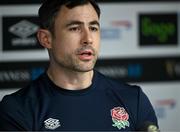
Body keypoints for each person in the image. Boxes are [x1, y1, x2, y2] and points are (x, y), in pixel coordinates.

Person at [0, 0, 159, 131]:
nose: (88, 38)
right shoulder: (17, 109)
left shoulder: (134, 99)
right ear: (46, 39)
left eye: (93, 28)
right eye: (75, 28)